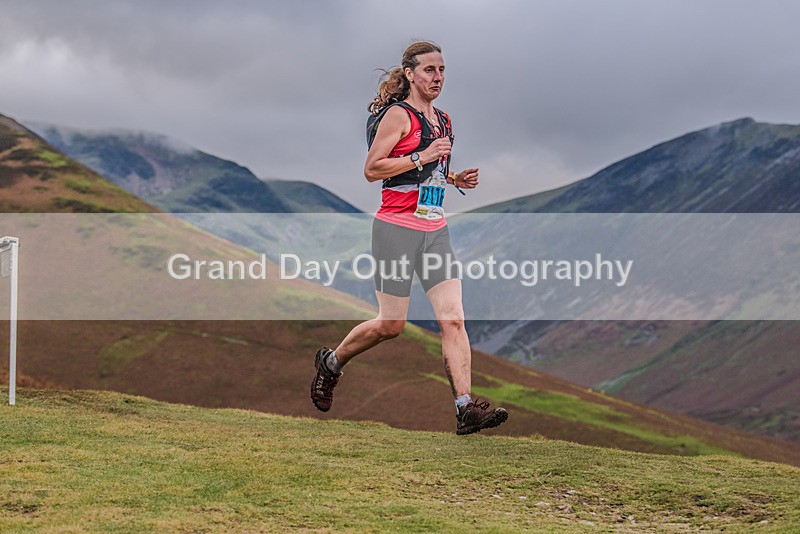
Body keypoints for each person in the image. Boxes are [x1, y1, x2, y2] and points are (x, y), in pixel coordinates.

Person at [310, 41, 508, 435]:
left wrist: (454, 178)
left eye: (443, 70)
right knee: (391, 325)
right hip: (396, 230)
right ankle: (331, 363)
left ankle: (465, 407)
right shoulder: (398, 116)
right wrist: (424, 155)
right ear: (411, 74)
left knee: (453, 318)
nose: (438, 77)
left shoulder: (445, 121)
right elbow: (373, 169)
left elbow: (427, 173)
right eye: (430, 70)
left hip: (434, 229)